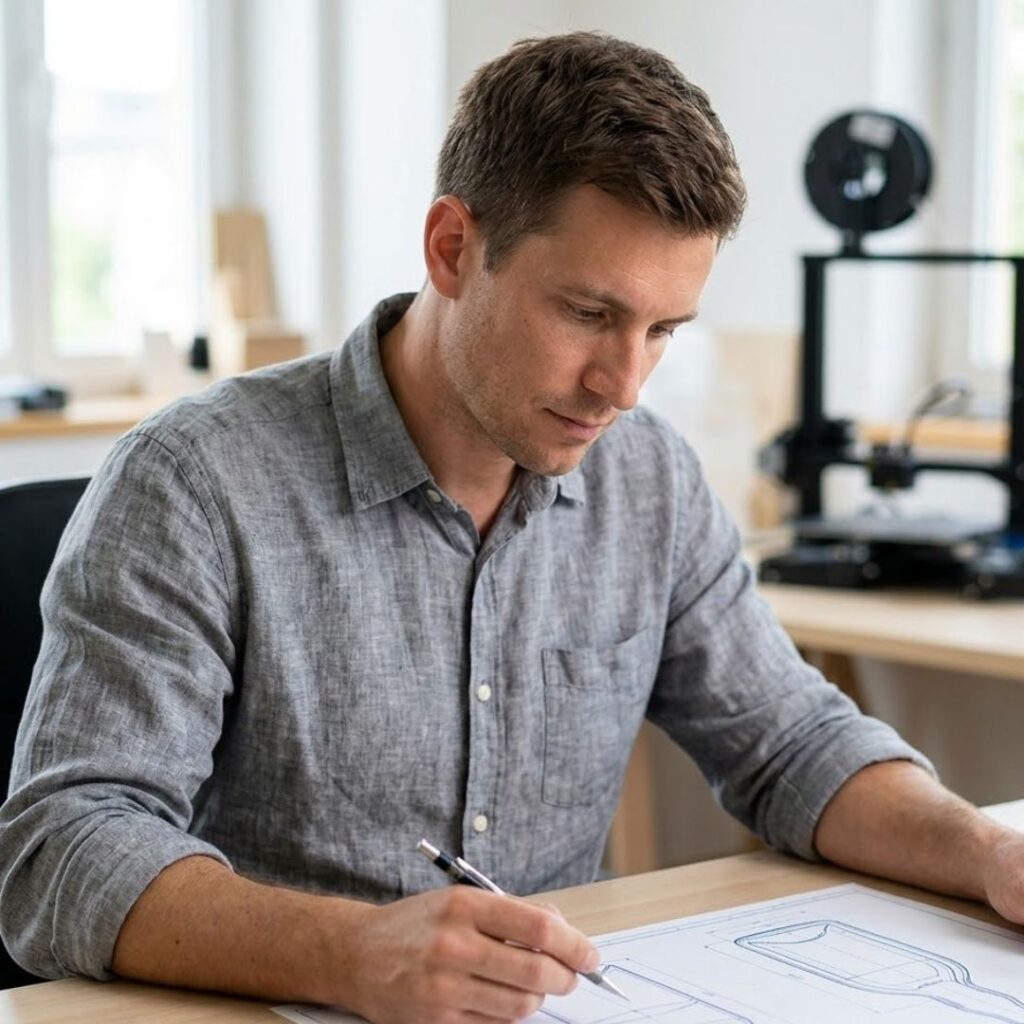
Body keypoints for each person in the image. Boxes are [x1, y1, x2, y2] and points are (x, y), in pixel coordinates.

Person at [2, 29, 1023, 1024]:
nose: (622, 384)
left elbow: (793, 743)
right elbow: (63, 850)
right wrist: (353, 953)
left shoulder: (648, 477)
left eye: (661, 331)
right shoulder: (194, 481)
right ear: (453, 248)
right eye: (586, 313)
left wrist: (987, 854)